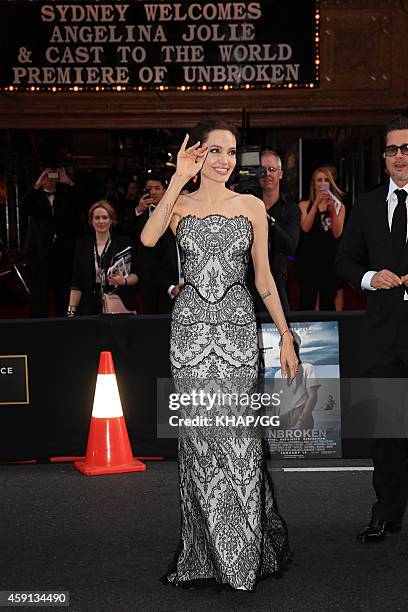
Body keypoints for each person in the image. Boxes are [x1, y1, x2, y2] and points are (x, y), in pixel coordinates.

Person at [141, 118, 298, 591]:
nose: (226, 160)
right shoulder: (179, 205)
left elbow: (264, 280)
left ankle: (243, 552)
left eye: (232, 152)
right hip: (190, 337)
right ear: (198, 154)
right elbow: (148, 240)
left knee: (241, 440)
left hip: (236, 335)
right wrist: (174, 180)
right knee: (202, 441)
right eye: (215, 150)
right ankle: (207, 553)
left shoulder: (249, 205)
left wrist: (285, 335)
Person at [336, 116, 408, 542]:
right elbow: (344, 261)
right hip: (382, 333)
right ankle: (387, 512)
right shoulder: (365, 205)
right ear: (383, 159)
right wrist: (368, 278)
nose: (400, 156)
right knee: (387, 429)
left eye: (406, 148)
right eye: (392, 150)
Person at [21, 166, 79, 317]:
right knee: (39, 292)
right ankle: (37, 324)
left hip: (62, 251)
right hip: (38, 252)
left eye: (54, 175)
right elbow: (23, 207)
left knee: (63, 291)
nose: (51, 179)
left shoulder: (65, 195)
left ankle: (64, 321)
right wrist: (37, 184)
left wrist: (69, 182)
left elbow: (81, 203)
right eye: (47, 176)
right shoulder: (35, 196)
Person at [248, 149, 300, 313]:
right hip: (245, 283)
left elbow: (290, 247)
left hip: (276, 284)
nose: (267, 174)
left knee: (283, 333)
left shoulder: (291, 209)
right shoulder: (244, 205)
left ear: (281, 174)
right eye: (262, 170)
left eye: (272, 169)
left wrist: (268, 220)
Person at [67, 200, 138, 316]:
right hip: (89, 306)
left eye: (105, 217)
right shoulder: (82, 246)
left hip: (119, 302)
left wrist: (123, 281)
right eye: (97, 218)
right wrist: (71, 310)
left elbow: (136, 274)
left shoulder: (124, 242)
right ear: (91, 221)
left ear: (111, 220)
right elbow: (77, 282)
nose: (101, 221)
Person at [296, 167, 346, 310]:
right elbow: (305, 227)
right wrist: (316, 203)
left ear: (331, 183)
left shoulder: (339, 206)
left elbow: (337, 233)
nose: (322, 183)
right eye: (319, 180)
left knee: (328, 300)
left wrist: (332, 210)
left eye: (326, 180)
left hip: (329, 259)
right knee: (307, 299)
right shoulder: (304, 205)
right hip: (308, 259)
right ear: (314, 184)